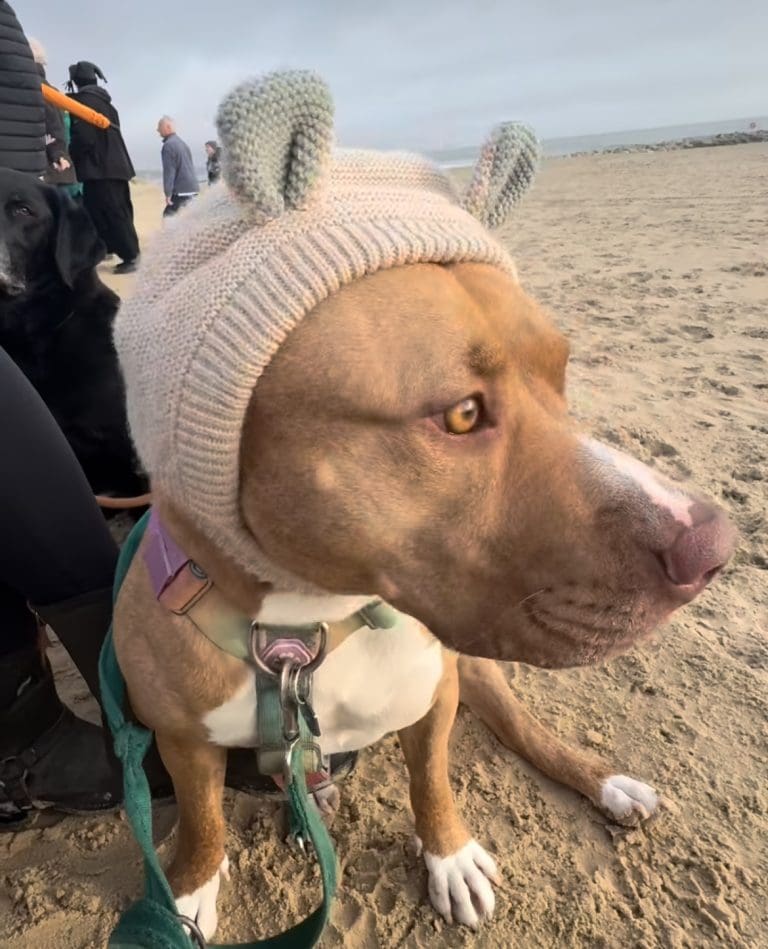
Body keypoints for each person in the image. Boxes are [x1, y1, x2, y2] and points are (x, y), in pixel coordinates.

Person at [67, 60, 140, 274]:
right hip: (116, 166)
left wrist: (70, 156)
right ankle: (107, 248)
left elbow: (85, 138)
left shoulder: (84, 102)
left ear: (76, 81)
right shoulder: (107, 103)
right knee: (109, 210)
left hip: (100, 169)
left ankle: (132, 256)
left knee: (112, 212)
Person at [27, 38, 78, 192]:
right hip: (50, 170)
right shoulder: (51, 91)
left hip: (42, 170)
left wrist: (58, 154)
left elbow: (54, 127)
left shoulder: (33, 89)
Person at [157, 115, 199, 216]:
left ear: (168, 127)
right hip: (193, 189)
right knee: (187, 220)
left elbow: (169, 172)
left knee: (168, 217)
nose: (157, 130)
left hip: (181, 191)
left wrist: (168, 193)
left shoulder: (168, 146)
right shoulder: (183, 143)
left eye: (159, 126)